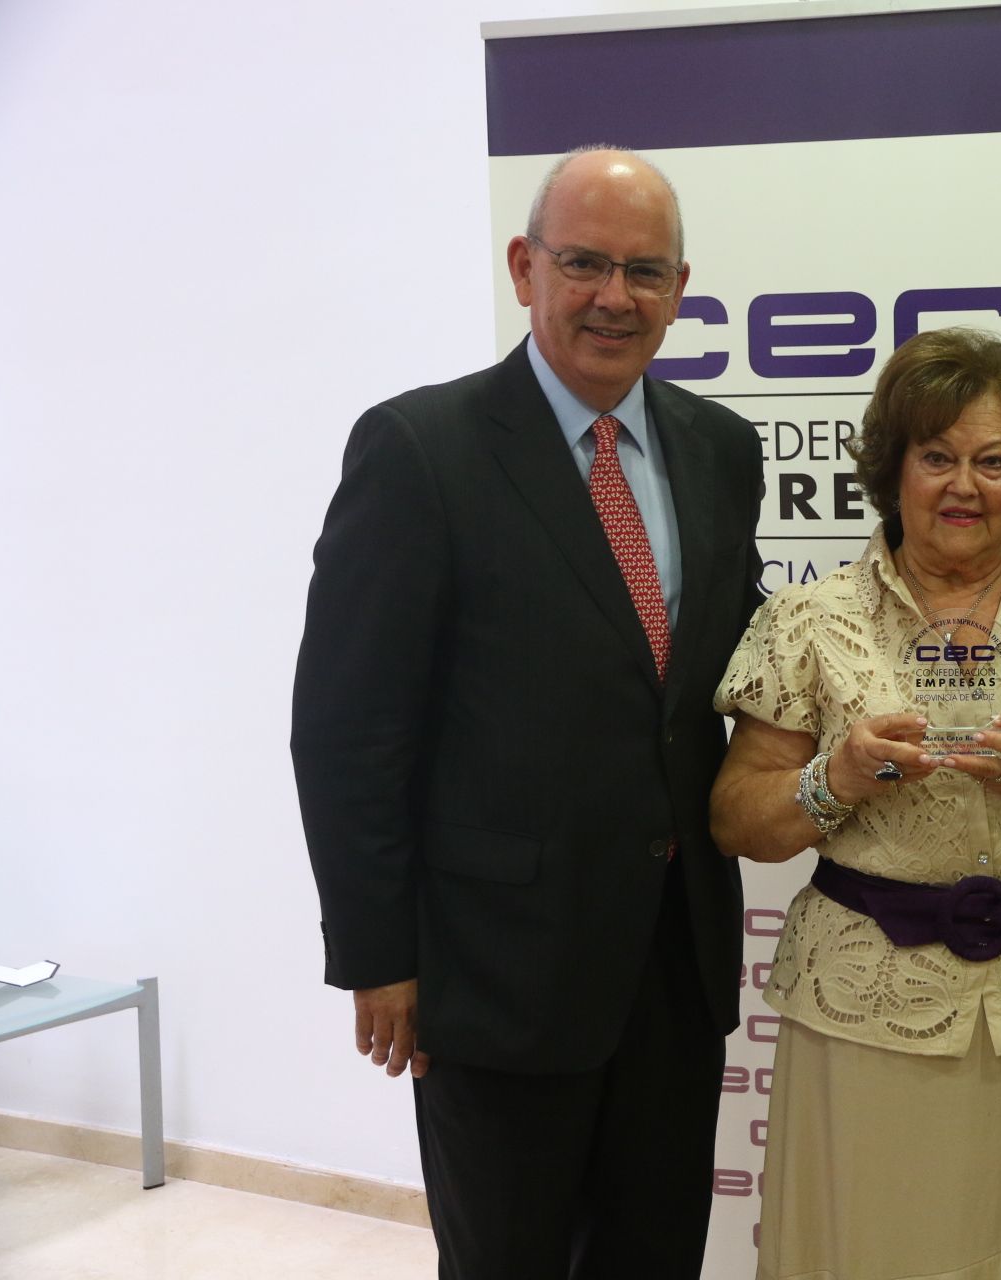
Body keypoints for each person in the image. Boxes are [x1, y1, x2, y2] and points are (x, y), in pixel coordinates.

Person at [290, 147, 764, 1280]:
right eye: (585, 263)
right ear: (524, 267)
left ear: (681, 284)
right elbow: (348, 729)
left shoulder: (720, 450)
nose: (615, 296)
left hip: (674, 961)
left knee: (655, 1255)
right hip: (495, 974)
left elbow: (717, 676)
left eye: (644, 270)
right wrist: (378, 953)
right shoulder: (420, 451)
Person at [709, 327, 1001, 1280]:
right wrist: (836, 779)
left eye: (993, 462)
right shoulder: (809, 620)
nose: (964, 486)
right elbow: (738, 817)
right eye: (937, 457)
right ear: (891, 467)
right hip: (868, 1013)